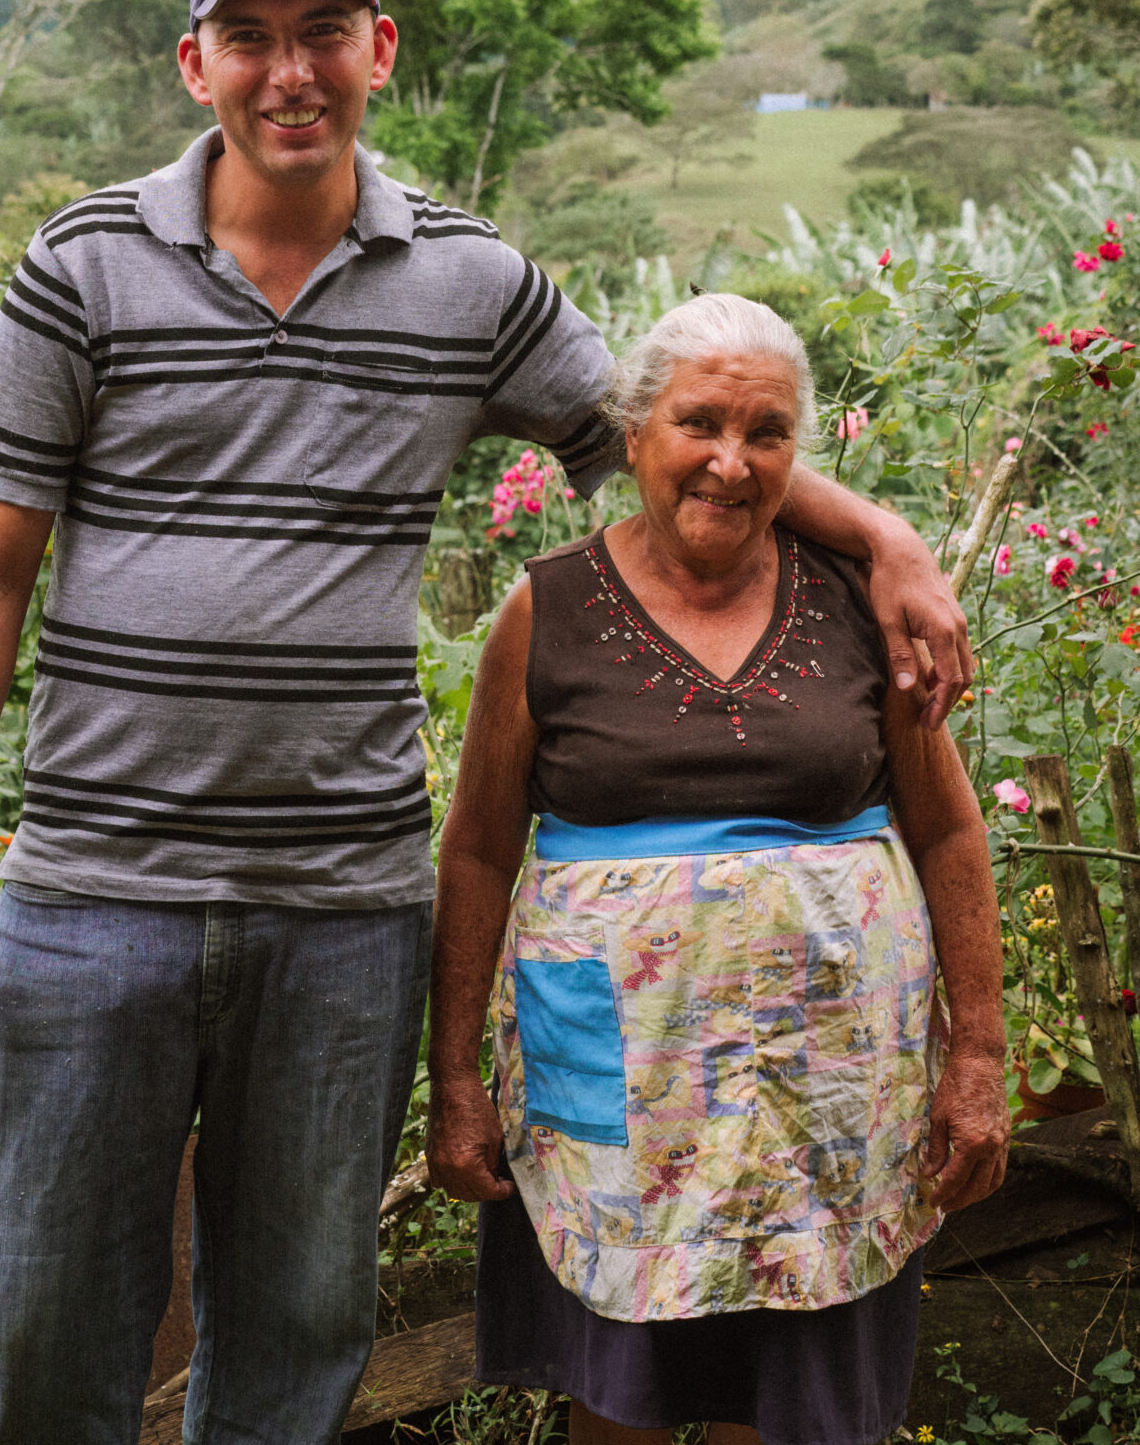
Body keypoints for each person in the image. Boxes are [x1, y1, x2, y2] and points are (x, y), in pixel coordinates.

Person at [0, 0, 975, 1445]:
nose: (289, 72)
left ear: (378, 49)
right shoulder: (85, 265)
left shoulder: (466, 284)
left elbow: (679, 438)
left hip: (340, 915)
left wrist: (888, 543)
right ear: (194, 63)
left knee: (296, 1345)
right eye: (249, 37)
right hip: (94, 893)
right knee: (42, 1337)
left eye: (323, 31)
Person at [426, 293, 1008, 1445]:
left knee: (794, 1394)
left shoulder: (861, 602)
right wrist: (453, 1082)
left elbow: (947, 831)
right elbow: (481, 848)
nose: (730, 465)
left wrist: (979, 1052)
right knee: (622, 1388)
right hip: (622, 1091)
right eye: (699, 424)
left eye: (769, 434)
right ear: (632, 433)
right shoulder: (545, 612)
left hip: (835, 1093)